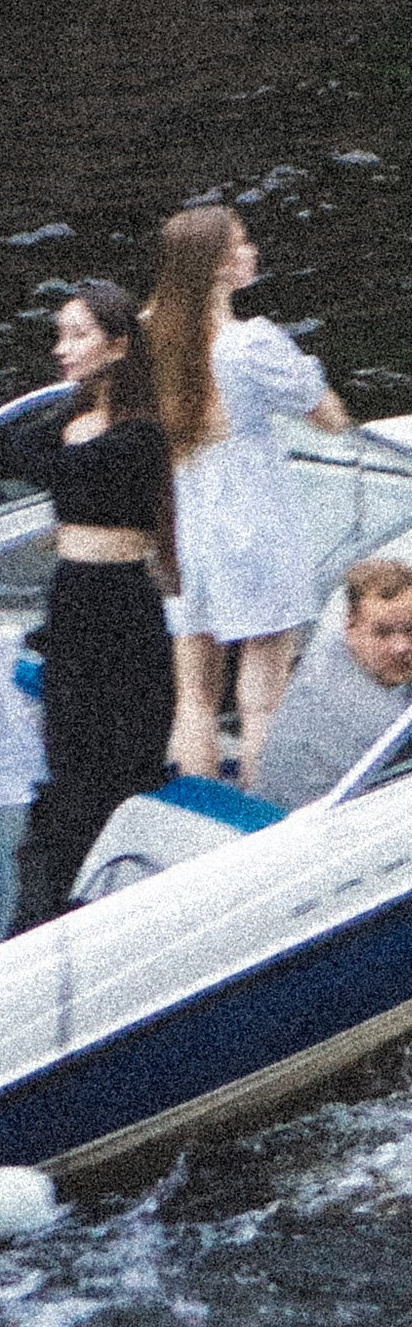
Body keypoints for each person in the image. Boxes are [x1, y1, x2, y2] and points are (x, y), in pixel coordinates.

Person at [145, 205, 350, 787]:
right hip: (252, 523)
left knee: (195, 698)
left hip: (183, 527)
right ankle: (260, 820)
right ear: (215, 266)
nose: (251, 251)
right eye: (240, 243)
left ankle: (200, 809)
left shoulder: (148, 339)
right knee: (263, 693)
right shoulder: (248, 344)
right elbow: (331, 418)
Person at [0, 281, 177, 928]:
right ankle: (48, 906)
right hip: (73, 598)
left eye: (77, 334)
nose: (61, 349)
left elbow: (61, 471)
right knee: (68, 758)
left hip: (122, 609)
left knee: (118, 755)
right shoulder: (68, 419)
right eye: (60, 334)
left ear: (118, 345)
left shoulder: (141, 435)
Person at [251, 557, 412, 809]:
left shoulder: (328, 651)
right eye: (383, 633)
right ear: (351, 626)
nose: (401, 647)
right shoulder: (388, 724)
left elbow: (409, 650)